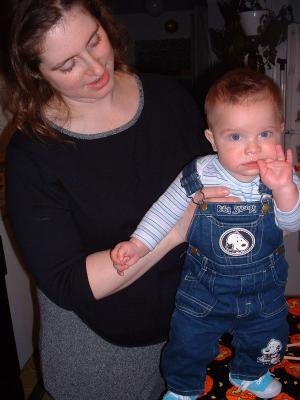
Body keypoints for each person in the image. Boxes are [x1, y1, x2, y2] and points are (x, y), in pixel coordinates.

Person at [2, 1, 236, 399]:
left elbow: (213, 174)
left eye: (95, 41)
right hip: (100, 356)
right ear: (35, 73)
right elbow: (68, 282)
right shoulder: (32, 154)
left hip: (189, 326)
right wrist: (175, 232)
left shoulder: (169, 97)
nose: (95, 68)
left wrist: (258, 170)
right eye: (67, 65)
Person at [111, 68, 300, 399]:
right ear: (213, 138)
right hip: (204, 289)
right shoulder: (200, 173)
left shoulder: (284, 177)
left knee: (267, 335)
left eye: (265, 134)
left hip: (264, 291)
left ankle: (249, 374)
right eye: (236, 137)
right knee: (188, 339)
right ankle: (183, 388)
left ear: (282, 130)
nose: (254, 149)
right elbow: (165, 209)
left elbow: (291, 223)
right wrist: (139, 244)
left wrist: (284, 188)